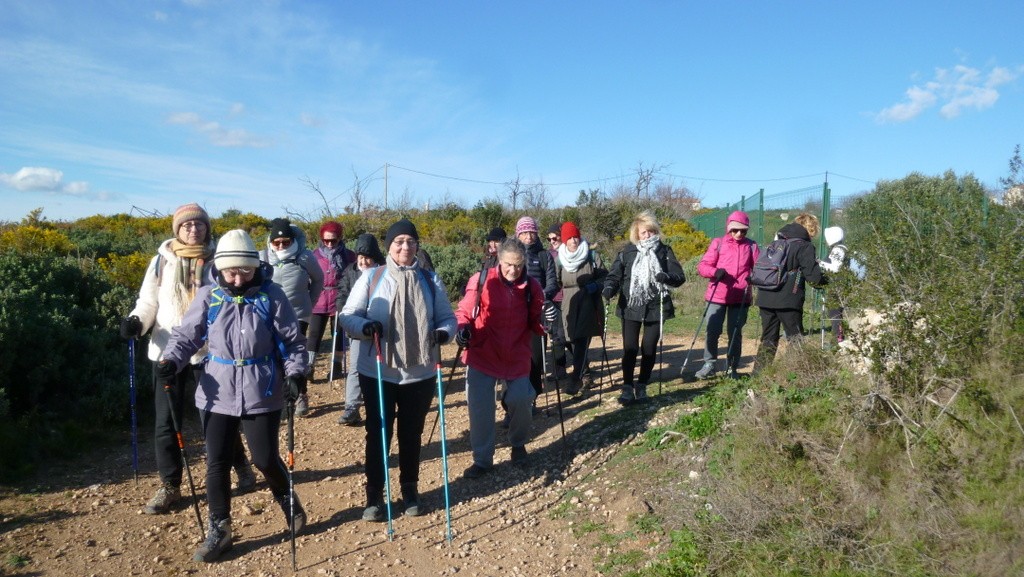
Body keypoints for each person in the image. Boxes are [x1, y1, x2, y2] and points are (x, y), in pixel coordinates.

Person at [158, 229, 309, 563]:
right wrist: (171, 360)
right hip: (217, 389)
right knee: (217, 461)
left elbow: (294, 342)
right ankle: (220, 528)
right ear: (220, 268)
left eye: (245, 270)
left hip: (262, 388)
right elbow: (187, 334)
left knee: (264, 457)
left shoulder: (272, 296)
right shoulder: (210, 295)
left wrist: (296, 373)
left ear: (256, 266)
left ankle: (288, 501)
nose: (238, 278)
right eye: (231, 271)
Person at [119, 203, 256, 516]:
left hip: (212, 354)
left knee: (220, 418)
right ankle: (170, 486)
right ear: (176, 229)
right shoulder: (160, 263)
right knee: (167, 422)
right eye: (187, 225)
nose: (194, 230)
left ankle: (241, 467)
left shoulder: (219, 261)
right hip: (167, 352)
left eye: (200, 225)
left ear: (208, 228)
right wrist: (136, 322)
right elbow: (148, 301)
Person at [340, 219, 457, 521]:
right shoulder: (371, 277)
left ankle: (410, 489)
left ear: (417, 245)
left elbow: (448, 318)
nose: (405, 247)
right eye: (399, 242)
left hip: (420, 371)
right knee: (378, 433)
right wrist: (366, 327)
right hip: (377, 370)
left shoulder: (430, 279)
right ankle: (374, 496)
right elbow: (348, 316)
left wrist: (444, 333)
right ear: (389, 246)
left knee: (411, 433)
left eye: (411, 241)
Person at [456, 238, 544, 478]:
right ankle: (482, 460)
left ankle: (518, 444)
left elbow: (536, 321)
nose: (513, 270)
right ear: (499, 260)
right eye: (508, 264)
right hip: (483, 352)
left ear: (524, 262)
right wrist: (462, 328)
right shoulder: (482, 279)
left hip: (516, 354)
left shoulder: (532, 287)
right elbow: (464, 310)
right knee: (481, 409)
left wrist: (547, 321)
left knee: (521, 399)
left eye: (518, 265)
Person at [602, 211, 685, 404]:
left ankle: (642, 385)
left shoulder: (665, 251)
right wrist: (608, 288)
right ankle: (627, 386)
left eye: (650, 231)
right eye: (643, 232)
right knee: (629, 348)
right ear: (636, 234)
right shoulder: (626, 252)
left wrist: (667, 277)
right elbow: (614, 276)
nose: (647, 235)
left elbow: (680, 277)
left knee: (648, 348)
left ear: (656, 231)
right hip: (630, 306)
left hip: (656, 306)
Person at [260, 218, 323, 416]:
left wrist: (309, 304)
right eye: (276, 243)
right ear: (270, 242)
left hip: (298, 315)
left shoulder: (305, 257)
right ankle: (279, 395)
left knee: (296, 356)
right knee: (275, 356)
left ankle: (301, 395)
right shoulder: (263, 257)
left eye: (285, 242)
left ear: (293, 240)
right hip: (270, 315)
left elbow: (319, 280)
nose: (280, 246)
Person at [694, 211, 760, 380]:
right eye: (735, 230)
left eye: (743, 231)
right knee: (712, 331)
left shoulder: (751, 246)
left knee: (735, 333)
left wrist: (753, 278)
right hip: (717, 295)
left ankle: (732, 368)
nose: (739, 234)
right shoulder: (718, 243)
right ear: (728, 228)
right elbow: (702, 266)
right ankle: (709, 364)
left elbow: (759, 268)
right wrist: (715, 272)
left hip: (741, 297)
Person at [753, 220, 827, 371]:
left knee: (768, 339)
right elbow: (814, 278)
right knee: (795, 339)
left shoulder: (775, 243)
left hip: (765, 297)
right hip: (789, 300)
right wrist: (826, 279)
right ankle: (795, 374)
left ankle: (759, 376)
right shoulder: (804, 246)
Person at [335, 233, 386, 426]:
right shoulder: (350, 271)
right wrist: (345, 314)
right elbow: (342, 294)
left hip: (382, 329)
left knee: (383, 367)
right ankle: (352, 408)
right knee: (355, 368)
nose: (363, 262)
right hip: (358, 329)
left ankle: (383, 403)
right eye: (360, 257)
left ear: (375, 257)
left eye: (367, 258)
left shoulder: (384, 272)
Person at [553, 221, 607, 396]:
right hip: (568, 302)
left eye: (575, 236)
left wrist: (596, 286)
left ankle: (576, 379)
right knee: (568, 339)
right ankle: (584, 374)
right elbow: (554, 281)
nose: (573, 241)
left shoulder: (591, 255)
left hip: (588, 301)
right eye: (569, 238)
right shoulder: (559, 259)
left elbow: (605, 277)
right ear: (564, 240)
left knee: (581, 340)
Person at [515, 216, 558, 400]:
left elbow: (552, 284)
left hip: (537, 313)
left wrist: (540, 297)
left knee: (536, 358)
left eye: (531, 232)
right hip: (513, 312)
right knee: (514, 356)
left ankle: (532, 397)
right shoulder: (512, 255)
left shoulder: (544, 255)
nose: (528, 237)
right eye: (524, 233)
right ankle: (512, 401)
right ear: (518, 235)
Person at [307, 221, 355, 381]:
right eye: (325, 240)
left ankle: (336, 367)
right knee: (314, 334)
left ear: (340, 238)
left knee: (339, 335)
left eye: (333, 240)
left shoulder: (348, 256)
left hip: (339, 299)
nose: (329, 244)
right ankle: (309, 367)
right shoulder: (314, 256)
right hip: (318, 299)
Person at [544, 224, 568, 381]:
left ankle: (583, 372)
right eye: (549, 238)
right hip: (553, 300)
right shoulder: (547, 255)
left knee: (569, 337)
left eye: (555, 237)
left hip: (568, 299)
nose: (552, 241)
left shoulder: (572, 252)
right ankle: (559, 372)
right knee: (555, 336)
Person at [819, 226, 848, 343]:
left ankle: (838, 338)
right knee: (835, 311)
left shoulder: (838, 250)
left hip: (838, 285)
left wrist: (820, 263)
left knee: (835, 312)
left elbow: (835, 268)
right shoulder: (840, 248)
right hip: (839, 284)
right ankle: (838, 337)